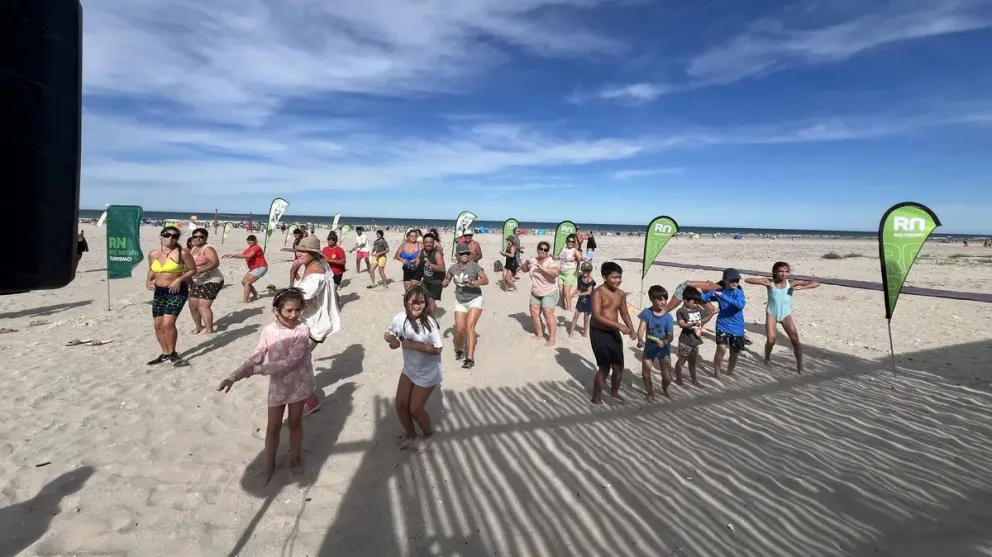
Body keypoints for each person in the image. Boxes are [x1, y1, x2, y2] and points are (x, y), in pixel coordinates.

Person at [217, 288, 315, 484]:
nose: (294, 315)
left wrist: (256, 370)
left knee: (295, 423)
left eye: (297, 310)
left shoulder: (302, 330)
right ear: (276, 310)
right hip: (278, 384)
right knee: (273, 426)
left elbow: (290, 362)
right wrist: (234, 376)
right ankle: (269, 463)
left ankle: (294, 459)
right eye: (288, 310)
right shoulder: (268, 331)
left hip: (299, 382)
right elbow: (258, 354)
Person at [385, 285, 443, 450]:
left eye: (421, 303)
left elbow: (438, 349)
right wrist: (392, 340)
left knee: (415, 409)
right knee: (401, 404)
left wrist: (413, 345)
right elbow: (388, 333)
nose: (418, 306)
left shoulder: (430, 323)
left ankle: (428, 434)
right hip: (409, 369)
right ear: (406, 302)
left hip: (428, 373)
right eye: (414, 302)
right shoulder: (400, 318)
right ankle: (410, 435)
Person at [294, 236, 342, 415]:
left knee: (296, 363)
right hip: (308, 322)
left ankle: (311, 400)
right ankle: (305, 395)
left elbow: (304, 300)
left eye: (303, 251)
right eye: (298, 250)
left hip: (315, 324)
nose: (299, 253)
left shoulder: (316, 273)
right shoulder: (313, 266)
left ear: (313, 253)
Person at [745, 262, 820, 373]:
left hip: (786, 314)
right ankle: (767, 358)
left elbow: (816, 283)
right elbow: (747, 280)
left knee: (795, 340)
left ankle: (800, 366)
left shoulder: (792, 283)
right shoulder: (770, 283)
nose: (783, 274)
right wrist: (763, 281)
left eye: (786, 272)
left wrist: (803, 288)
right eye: (781, 271)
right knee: (771, 340)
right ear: (775, 272)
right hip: (772, 314)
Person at [146, 226, 197, 365]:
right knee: (158, 325)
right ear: (161, 236)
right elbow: (152, 269)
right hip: (159, 291)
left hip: (177, 290)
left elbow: (193, 269)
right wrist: (148, 280)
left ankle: (173, 353)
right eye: (167, 235)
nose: (170, 238)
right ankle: (165, 353)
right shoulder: (153, 254)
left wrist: (179, 279)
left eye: (174, 236)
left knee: (168, 323)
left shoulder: (182, 253)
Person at [589, 261, 636, 404]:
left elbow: (625, 313)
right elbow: (597, 315)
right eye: (614, 277)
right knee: (604, 367)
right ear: (605, 277)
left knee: (619, 366)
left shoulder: (620, 294)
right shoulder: (598, 292)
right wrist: (619, 326)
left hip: (614, 331)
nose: (618, 280)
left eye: (619, 277)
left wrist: (631, 329)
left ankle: (614, 393)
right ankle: (596, 397)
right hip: (599, 331)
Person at [444, 243, 488, 369]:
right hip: (460, 300)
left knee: (469, 328)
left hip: (475, 299)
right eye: (462, 253)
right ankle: (459, 349)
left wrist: (473, 282)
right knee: (459, 330)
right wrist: (445, 282)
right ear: (457, 255)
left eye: (467, 253)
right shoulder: (453, 268)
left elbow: (485, 280)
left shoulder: (474, 266)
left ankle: (470, 358)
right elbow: (447, 279)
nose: (465, 255)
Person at [699, 269, 747, 378]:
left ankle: (730, 372)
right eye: (732, 280)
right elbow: (703, 297)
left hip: (737, 327)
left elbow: (739, 305)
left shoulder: (739, 293)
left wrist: (722, 296)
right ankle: (717, 372)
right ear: (724, 280)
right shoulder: (719, 291)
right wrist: (702, 292)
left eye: (737, 280)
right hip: (722, 325)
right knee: (721, 349)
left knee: (734, 353)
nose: (735, 282)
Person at [637, 286, 675, 401]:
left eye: (665, 299)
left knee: (668, 377)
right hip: (650, 348)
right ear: (651, 299)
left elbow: (670, 335)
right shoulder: (646, 313)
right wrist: (640, 339)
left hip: (664, 349)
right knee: (645, 374)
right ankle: (650, 392)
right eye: (660, 299)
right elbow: (641, 328)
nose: (663, 302)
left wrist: (665, 342)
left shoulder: (668, 317)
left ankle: (665, 387)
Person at [520, 241, 560, 347]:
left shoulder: (550, 262)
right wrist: (524, 264)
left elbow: (556, 273)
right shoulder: (533, 260)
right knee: (534, 313)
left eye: (545, 249)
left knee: (548, 314)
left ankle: (551, 338)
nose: (542, 251)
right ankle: (540, 334)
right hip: (535, 291)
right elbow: (524, 270)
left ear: (547, 252)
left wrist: (540, 267)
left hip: (549, 291)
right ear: (537, 249)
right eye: (540, 248)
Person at [188, 228, 224, 334]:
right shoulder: (193, 248)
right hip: (197, 280)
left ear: (206, 237)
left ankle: (209, 330)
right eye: (195, 236)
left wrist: (198, 271)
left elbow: (215, 263)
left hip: (213, 280)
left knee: (203, 306)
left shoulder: (207, 248)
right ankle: (198, 326)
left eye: (201, 236)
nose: (198, 238)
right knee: (192, 305)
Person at [674, 286, 709, 387]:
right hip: (685, 341)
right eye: (694, 302)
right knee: (681, 361)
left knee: (693, 362)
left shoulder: (698, 309)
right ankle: (679, 379)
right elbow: (681, 324)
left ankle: (694, 380)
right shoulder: (681, 311)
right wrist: (691, 324)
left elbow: (704, 319)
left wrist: (712, 314)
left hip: (695, 341)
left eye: (698, 302)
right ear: (685, 300)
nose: (696, 304)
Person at [222, 235, 267, 303]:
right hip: (254, 268)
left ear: (255, 241)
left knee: (247, 282)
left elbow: (249, 255)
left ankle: (245, 300)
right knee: (243, 282)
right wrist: (231, 255)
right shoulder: (249, 248)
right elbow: (242, 255)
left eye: (251, 240)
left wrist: (234, 255)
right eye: (248, 240)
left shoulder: (256, 247)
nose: (249, 241)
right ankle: (256, 295)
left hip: (260, 267)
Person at [418, 233, 446, 314]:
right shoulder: (421, 252)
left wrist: (430, 264)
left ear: (433, 243)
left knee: (431, 300)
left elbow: (442, 268)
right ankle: (425, 315)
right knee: (421, 298)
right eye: (426, 242)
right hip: (426, 279)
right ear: (423, 243)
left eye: (430, 242)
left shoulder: (437, 253)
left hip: (436, 281)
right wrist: (412, 264)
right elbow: (417, 262)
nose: (428, 244)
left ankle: (430, 318)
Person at [567, 262, 595, 337]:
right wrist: (573, 294)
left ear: (590, 271)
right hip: (581, 299)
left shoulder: (590, 280)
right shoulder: (579, 278)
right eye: (585, 270)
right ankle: (571, 333)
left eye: (588, 271)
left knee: (586, 318)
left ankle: (585, 334)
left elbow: (589, 292)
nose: (586, 272)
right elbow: (578, 288)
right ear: (582, 270)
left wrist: (578, 294)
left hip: (589, 300)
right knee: (575, 316)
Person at [558, 234, 584, 312]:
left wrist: (581, 259)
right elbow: (559, 257)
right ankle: (563, 306)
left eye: (572, 242)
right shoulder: (563, 248)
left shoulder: (574, 250)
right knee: (560, 290)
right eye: (569, 241)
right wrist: (552, 256)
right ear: (566, 241)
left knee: (566, 292)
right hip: (561, 272)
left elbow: (580, 258)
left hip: (570, 273)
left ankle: (569, 308)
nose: (570, 243)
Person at [321, 231, 347, 311]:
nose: (330, 240)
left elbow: (343, 262)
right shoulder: (324, 249)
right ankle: (337, 301)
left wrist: (330, 260)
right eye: (329, 239)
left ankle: (336, 306)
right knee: (330, 290)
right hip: (327, 273)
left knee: (333, 290)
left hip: (337, 273)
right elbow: (321, 259)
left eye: (333, 239)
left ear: (335, 240)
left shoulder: (339, 250)